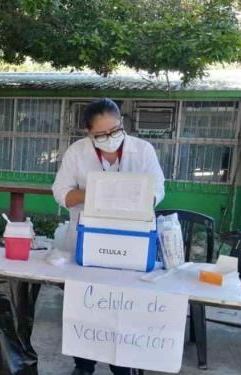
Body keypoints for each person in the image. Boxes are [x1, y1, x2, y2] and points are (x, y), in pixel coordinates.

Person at [51, 98, 165, 375]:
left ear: (122, 125)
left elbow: (157, 191)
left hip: (131, 242)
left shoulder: (143, 150)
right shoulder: (77, 153)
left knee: (123, 308)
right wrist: (100, 193)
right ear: (89, 133)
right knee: (85, 306)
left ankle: (122, 366)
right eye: (101, 134)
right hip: (87, 240)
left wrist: (123, 195)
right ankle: (83, 365)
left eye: (115, 131)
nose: (110, 138)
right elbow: (61, 193)